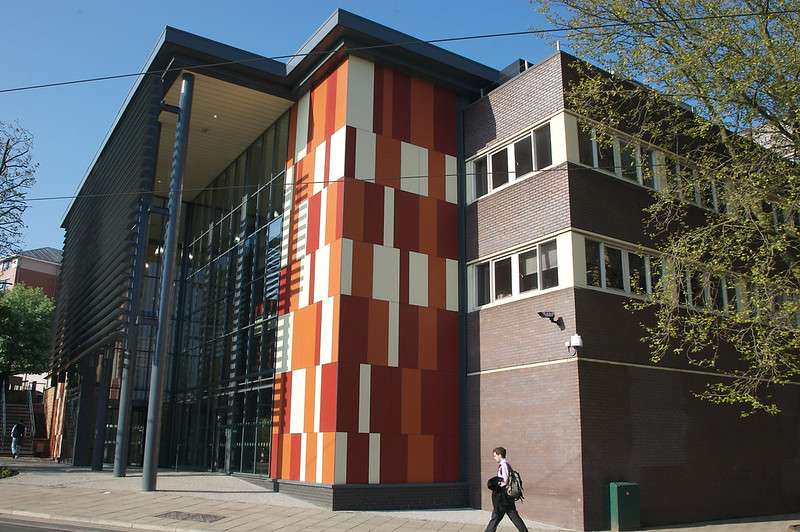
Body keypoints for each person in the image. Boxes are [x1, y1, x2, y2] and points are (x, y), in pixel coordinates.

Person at [485, 446, 528, 532]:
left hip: (503, 497)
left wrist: (495, 484)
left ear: (500, 455)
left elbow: (504, 481)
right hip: (507, 497)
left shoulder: (504, 465)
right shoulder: (506, 465)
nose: (494, 458)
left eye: (495, 456)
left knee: (496, 517)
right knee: (512, 516)